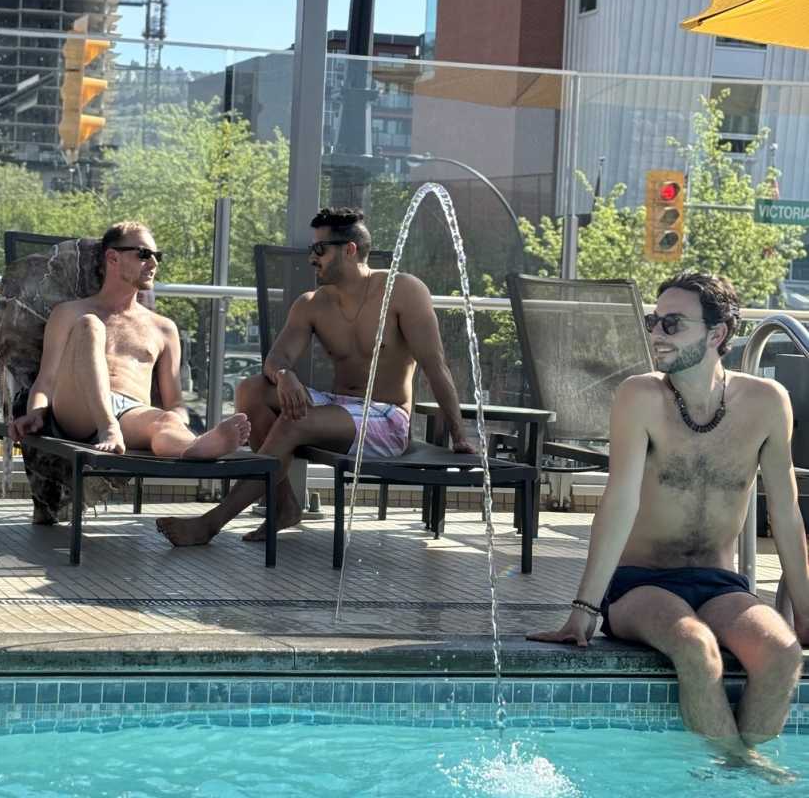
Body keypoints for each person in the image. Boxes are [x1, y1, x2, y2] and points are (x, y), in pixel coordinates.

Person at [530, 272, 808, 765]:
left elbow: (785, 511)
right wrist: (584, 610)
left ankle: (729, 773)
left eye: (672, 324)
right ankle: (742, 777)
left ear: (716, 334)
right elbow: (618, 504)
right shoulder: (640, 397)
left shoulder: (767, 403)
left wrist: (805, 614)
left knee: (783, 653)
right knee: (696, 648)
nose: (656, 333)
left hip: (722, 585)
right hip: (640, 585)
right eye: (653, 321)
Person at [157, 206, 475, 548]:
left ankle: (211, 523)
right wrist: (283, 375)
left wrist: (458, 434)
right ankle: (284, 505)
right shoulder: (311, 304)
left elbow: (435, 364)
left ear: (349, 250)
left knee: (296, 421)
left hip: (386, 417)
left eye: (320, 249)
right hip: (337, 409)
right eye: (312, 249)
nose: (312, 258)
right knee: (252, 390)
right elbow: (277, 358)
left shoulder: (402, 291)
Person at [9, 221, 250, 459]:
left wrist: (179, 421)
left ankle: (193, 447)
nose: (154, 263)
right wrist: (36, 413)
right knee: (90, 324)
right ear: (113, 258)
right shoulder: (69, 312)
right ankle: (108, 427)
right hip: (76, 410)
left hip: (130, 413)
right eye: (144, 254)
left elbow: (174, 402)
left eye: (158, 256)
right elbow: (47, 380)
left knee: (165, 420)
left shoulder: (164, 328)